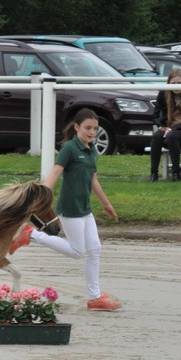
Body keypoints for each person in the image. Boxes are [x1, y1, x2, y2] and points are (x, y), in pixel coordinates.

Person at [9, 108, 121, 312]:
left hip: (85, 209)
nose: (91, 132)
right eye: (87, 128)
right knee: (77, 252)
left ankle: (94, 298)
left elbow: (93, 179)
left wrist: (106, 204)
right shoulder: (69, 148)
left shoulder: (92, 149)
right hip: (70, 209)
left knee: (95, 249)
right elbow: (55, 173)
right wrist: (44, 196)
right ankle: (32, 234)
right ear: (77, 127)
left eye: (95, 129)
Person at [149, 68, 181, 182]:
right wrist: (162, 126)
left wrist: (175, 129)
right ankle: (153, 173)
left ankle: (176, 173)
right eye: (173, 83)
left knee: (172, 135)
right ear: (168, 84)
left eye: (179, 83)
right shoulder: (163, 93)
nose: (176, 86)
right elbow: (155, 115)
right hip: (168, 128)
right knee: (157, 136)